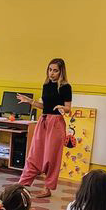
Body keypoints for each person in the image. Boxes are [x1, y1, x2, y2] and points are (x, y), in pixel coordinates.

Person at [17, 58, 73, 198]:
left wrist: (62, 108)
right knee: (34, 154)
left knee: (51, 157)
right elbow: (44, 106)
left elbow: (68, 108)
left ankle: (47, 188)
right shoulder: (46, 85)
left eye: (55, 71)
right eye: (50, 70)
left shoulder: (65, 87)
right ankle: (23, 184)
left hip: (56, 123)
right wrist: (30, 101)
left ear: (61, 72)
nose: (51, 73)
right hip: (43, 121)